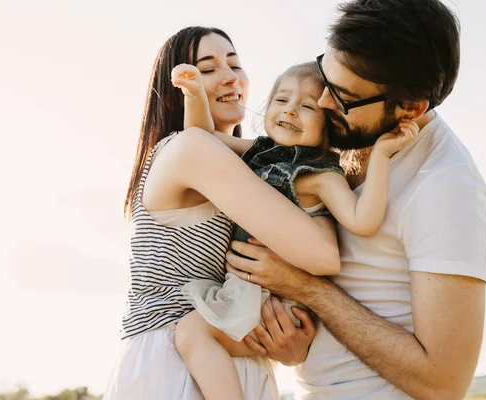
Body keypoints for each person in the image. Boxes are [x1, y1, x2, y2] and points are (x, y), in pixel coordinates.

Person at [226, 1, 486, 399]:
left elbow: (444, 383)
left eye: (344, 96)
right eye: (326, 80)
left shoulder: (445, 186)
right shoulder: (344, 138)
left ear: (411, 107)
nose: (325, 103)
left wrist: (306, 288)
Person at [103, 26, 343, 400]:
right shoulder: (188, 148)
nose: (230, 76)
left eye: (235, 64)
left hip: (225, 355)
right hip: (173, 364)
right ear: (180, 86)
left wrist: (288, 348)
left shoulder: (256, 172)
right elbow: (323, 253)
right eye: (208, 68)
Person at [170, 61, 418, 399]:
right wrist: (195, 94)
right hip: (249, 295)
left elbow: (363, 220)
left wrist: (382, 157)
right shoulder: (261, 151)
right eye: (281, 100)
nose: (290, 111)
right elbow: (201, 141)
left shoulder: (322, 174)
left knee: (191, 333)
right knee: (192, 334)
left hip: (276, 306)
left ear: (330, 123)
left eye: (306, 106)